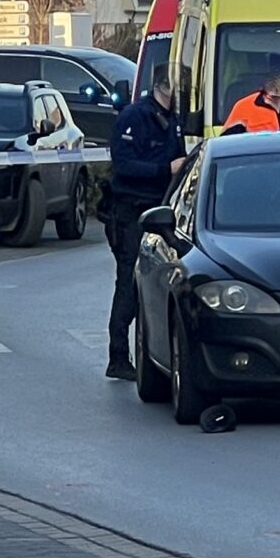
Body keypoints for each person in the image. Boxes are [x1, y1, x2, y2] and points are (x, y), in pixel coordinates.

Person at [102, 74, 188, 382]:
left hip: (160, 212)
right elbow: (123, 164)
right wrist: (164, 170)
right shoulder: (135, 116)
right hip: (132, 212)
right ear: (164, 85)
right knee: (129, 282)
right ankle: (117, 356)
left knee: (160, 283)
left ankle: (153, 352)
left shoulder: (173, 118)